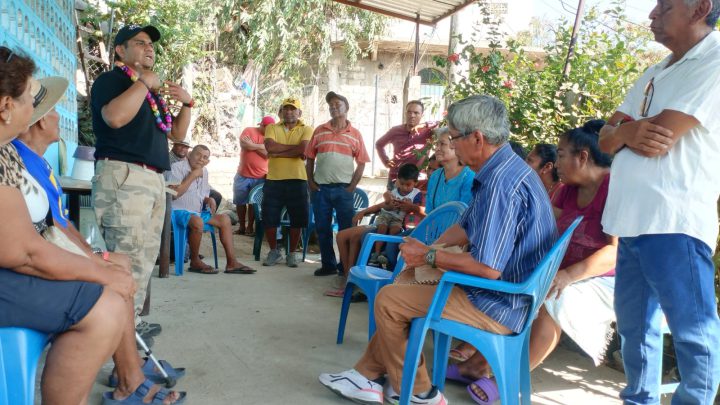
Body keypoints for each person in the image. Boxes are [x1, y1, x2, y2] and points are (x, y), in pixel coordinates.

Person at [318, 95, 557, 405]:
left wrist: (429, 256)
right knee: (407, 280)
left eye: (455, 138)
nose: (452, 145)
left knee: (390, 301)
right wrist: (427, 249)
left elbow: (488, 268)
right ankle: (367, 375)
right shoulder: (503, 168)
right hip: (506, 291)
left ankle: (421, 392)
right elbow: (466, 226)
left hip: (499, 301)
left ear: (477, 138)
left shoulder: (500, 183)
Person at [10, 72, 186, 404]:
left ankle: (129, 371)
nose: (56, 117)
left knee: (121, 267)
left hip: (40, 255)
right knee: (112, 287)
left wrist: (94, 257)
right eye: (48, 111)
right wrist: (95, 266)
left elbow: (61, 224)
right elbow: (36, 244)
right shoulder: (18, 160)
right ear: (25, 119)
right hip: (27, 268)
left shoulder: (31, 162)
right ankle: (129, 379)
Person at [598, 1, 720, 402]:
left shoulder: (715, 59)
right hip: (631, 223)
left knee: (693, 333)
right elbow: (604, 138)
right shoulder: (655, 71)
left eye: (665, 6)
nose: (652, 14)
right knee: (634, 330)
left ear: (700, 8)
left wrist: (625, 133)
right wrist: (625, 134)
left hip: (674, 222)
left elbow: (661, 134)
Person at [449, 120, 617, 404]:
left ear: (583, 157)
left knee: (554, 299)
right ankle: (479, 362)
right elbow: (538, 225)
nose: (556, 162)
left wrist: (568, 276)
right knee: (516, 280)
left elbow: (616, 252)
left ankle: (510, 379)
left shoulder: (614, 189)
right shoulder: (567, 190)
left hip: (602, 278)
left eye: (561, 155)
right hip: (560, 270)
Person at [91, 24, 193, 332]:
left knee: (142, 264)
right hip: (125, 176)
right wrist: (145, 84)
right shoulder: (111, 81)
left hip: (151, 180)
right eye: (140, 43)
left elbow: (176, 133)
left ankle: (130, 331)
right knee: (125, 264)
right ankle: (119, 350)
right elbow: (115, 117)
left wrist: (187, 104)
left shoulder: (145, 89)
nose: (149, 48)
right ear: (120, 50)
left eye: (151, 44)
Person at [306, 91, 370, 276]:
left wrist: (351, 188)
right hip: (321, 189)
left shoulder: (355, 134)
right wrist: (311, 182)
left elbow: (362, 162)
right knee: (322, 229)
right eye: (331, 105)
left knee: (346, 230)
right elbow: (310, 158)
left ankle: (345, 266)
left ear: (346, 108)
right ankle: (328, 265)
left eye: (337, 105)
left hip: (344, 190)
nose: (333, 108)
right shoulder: (319, 130)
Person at [169, 145, 255, 274]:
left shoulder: (204, 171)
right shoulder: (176, 168)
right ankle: (195, 261)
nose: (201, 159)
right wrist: (192, 175)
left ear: (207, 161)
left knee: (224, 219)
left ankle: (232, 263)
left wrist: (208, 199)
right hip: (176, 212)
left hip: (196, 212)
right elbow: (174, 195)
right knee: (197, 221)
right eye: (198, 154)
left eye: (205, 157)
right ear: (190, 154)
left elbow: (201, 194)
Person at [261, 97, 312, 267]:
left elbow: (304, 149)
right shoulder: (271, 127)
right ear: (281, 111)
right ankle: (274, 252)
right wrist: (294, 150)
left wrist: (279, 151)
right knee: (269, 216)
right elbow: (270, 148)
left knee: (298, 217)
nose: (289, 112)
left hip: (298, 179)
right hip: (274, 179)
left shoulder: (307, 129)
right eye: (285, 109)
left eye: (293, 109)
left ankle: (292, 253)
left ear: (299, 112)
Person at [364, 163, 423, 265]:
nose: (404, 187)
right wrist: (388, 200)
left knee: (394, 231)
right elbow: (386, 199)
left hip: (398, 218)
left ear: (415, 183)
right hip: (386, 214)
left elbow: (415, 208)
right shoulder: (394, 191)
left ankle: (386, 252)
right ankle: (376, 253)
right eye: (401, 183)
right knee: (382, 227)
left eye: (408, 185)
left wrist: (409, 205)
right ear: (398, 180)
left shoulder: (416, 193)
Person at [375, 100, 437, 190]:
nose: (412, 115)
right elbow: (379, 144)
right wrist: (386, 161)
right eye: (409, 112)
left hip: (417, 180)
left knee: (414, 204)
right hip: (396, 178)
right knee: (393, 204)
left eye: (416, 113)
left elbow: (442, 122)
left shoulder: (427, 132)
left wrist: (424, 125)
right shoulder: (395, 131)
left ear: (422, 115)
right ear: (405, 113)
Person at [233, 115, 274, 236]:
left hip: (260, 176)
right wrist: (261, 147)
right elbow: (244, 145)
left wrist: (253, 145)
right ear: (261, 125)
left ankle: (250, 227)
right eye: (265, 127)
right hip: (242, 174)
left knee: (254, 203)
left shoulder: (272, 136)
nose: (267, 130)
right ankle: (241, 226)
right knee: (240, 201)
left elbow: (268, 154)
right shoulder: (249, 130)